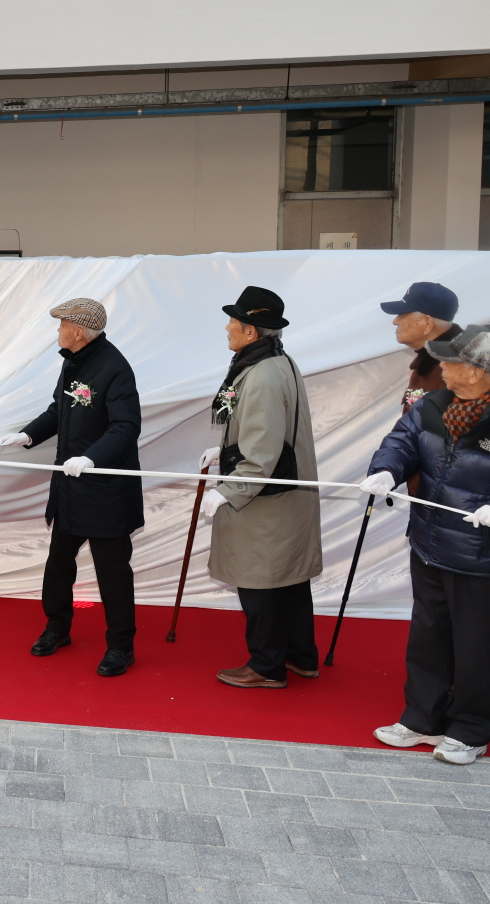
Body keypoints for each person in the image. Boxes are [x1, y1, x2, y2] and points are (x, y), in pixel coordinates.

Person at [363, 325, 490, 765]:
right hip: (429, 544)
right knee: (427, 637)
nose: (441, 365)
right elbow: (401, 441)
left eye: (449, 360)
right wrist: (387, 469)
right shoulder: (433, 405)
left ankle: (471, 729)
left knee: (477, 647)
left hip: (484, 560)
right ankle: (422, 718)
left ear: (476, 373)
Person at [0, 297, 142, 675]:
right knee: (59, 564)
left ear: (78, 331)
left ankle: (121, 646)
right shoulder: (73, 362)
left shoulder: (115, 368)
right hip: (71, 488)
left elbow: (126, 428)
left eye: (61, 325)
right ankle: (57, 628)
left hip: (107, 491)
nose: (58, 331)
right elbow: (58, 412)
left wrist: (92, 457)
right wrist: (27, 435)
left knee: (113, 572)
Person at [199, 286, 323, 689]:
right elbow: (265, 430)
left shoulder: (262, 375)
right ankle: (301, 657)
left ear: (251, 331)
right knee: (289, 578)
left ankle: (267, 666)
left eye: (234, 322)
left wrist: (227, 491)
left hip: (265, 501)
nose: (227, 327)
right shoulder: (273, 361)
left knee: (261, 582)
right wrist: (224, 449)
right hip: (285, 497)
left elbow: (264, 449)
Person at [381, 282, 461, 413]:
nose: (395, 321)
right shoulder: (428, 363)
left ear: (427, 323)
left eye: (402, 315)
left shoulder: (458, 371)